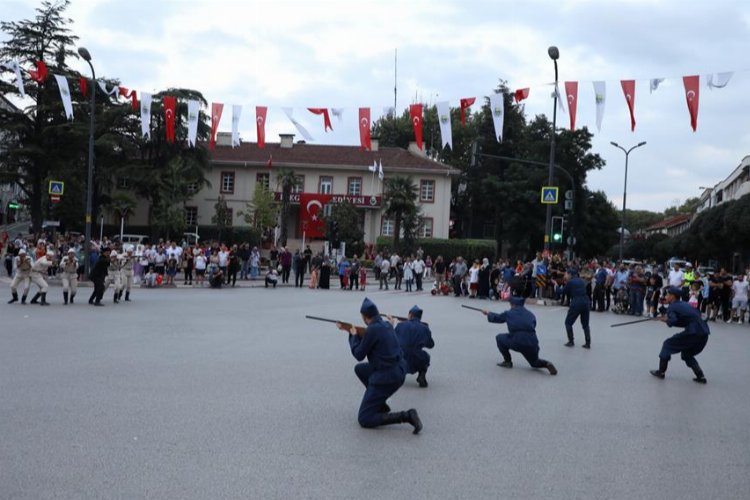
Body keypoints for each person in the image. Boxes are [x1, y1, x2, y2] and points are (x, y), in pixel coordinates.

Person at [337, 298, 422, 434]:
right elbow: (375, 337)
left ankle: (406, 416)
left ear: (365, 317)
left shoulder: (372, 330)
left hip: (388, 376)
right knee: (360, 370)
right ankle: (380, 404)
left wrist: (353, 336)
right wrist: (355, 333)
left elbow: (359, 354)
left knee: (364, 419)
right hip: (399, 371)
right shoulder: (387, 325)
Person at [482, 297, 557, 375]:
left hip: (517, 341)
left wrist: (488, 313)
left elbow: (498, 318)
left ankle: (507, 362)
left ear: (513, 305)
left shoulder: (509, 313)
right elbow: (533, 325)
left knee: (499, 338)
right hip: (532, 342)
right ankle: (546, 364)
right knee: (534, 363)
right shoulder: (530, 314)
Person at [650, 286, 710, 383]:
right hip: (704, 332)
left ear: (672, 296)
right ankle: (700, 376)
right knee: (687, 354)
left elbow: (672, 321)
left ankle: (661, 372)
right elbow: (686, 319)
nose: (666, 296)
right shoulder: (684, 304)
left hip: (693, 332)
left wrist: (664, 319)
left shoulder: (672, 306)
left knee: (667, 344)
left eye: (667, 294)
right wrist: (664, 319)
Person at [391, 306, 434, 387]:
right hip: (416, 357)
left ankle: (395, 375)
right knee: (426, 357)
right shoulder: (424, 328)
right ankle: (421, 376)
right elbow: (431, 345)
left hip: (401, 357)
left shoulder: (400, 325)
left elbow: (393, 340)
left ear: (410, 315)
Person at [563, 268, 591, 348]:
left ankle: (571, 341)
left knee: (568, 322)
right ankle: (588, 343)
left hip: (576, 303)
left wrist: (556, 286)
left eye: (566, 274)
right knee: (585, 324)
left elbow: (562, 291)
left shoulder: (570, 282)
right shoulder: (581, 281)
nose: (565, 275)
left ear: (570, 275)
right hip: (586, 302)